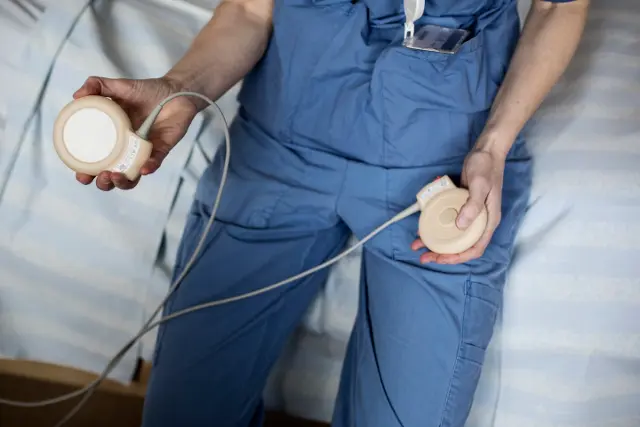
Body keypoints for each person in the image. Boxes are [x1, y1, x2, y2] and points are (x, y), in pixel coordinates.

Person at [72, 0, 588, 425]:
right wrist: (180, 89)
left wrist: (493, 147)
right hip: (283, 135)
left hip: (444, 157)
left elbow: (557, 7)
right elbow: (251, 10)